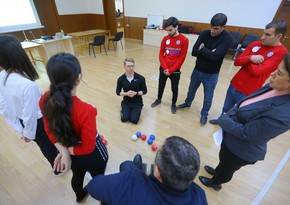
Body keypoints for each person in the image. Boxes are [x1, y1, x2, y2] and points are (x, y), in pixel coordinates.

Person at [199, 52, 290, 191]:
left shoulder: (285, 114)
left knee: (227, 169)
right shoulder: (275, 85)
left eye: (279, 72)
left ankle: (216, 182)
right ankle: (218, 170)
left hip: (241, 150)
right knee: (224, 160)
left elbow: (246, 133)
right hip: (231, 138)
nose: (272, 74)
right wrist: (231, 114)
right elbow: (245, 102)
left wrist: (223, 119)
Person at [39, 53, 109, 203]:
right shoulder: (86, 110)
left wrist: (65, 152)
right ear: (78, 79)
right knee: (99, 179)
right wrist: (67, 152)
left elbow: (48, 130)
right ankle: (103, 201)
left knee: (77, 176)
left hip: (72, 154)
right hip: (91, 156)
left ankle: (79, 196)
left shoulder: (44, 99)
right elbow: (89, 147)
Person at [0, 34, 65, 174]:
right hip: (37, 123)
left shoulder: (2, 76)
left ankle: (59, 165)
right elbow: (30, 114)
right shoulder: (28, 86)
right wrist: (28, 133)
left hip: (24, 123)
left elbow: (5, 107)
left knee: (45, 146)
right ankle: (59, 169)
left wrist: (20, 129)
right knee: (49, 145)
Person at [86, 136, 208, 205]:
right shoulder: (200, 196)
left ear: (157, 173)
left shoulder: (130, 181)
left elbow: (93, 186)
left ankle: (138, 167)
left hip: (135, 181)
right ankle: (138, 167)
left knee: (127, 165)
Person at [210, 19, 288, 124]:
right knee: (226, 107)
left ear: (278, 36)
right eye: (264, 33)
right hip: (235, 83)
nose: (263, 37)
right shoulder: (255, 44)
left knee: (240, 113)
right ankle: (221, 120)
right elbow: (237, 61)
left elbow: (257, 71)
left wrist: (246, 60)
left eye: (268, 35)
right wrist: (251, 58)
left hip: (248, 90)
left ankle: (229, 127)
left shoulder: (281, 52)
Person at [177, 13, 233, 126]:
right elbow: (194, 52)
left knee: (208, 97)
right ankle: (187, 103)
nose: (212, 30)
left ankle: (204, 114)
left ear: (223, 27)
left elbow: (215, 57)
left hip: (211, 75)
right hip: (197, 70)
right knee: (191, 90)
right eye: (211, 27)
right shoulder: (204, 33)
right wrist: (209, 52)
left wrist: (203, 49)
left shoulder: (227, 39)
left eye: (216, 28)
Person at [151, 17, 189, 114]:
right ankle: (159, 99)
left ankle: (173, 104)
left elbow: (182, 58)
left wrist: (171, 70)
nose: (168, 32)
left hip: (175, 70)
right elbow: (160, 54)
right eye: (167, 30)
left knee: (174, 88)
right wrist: (165, 68)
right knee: (161, 85)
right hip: (164, 68)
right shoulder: (165, 38)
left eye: (170, 30)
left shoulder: (184, 40)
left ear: (176, 27)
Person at [116, 57, 147, 124]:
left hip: (137, 103)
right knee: (124, 119)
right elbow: (118, 92)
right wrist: (126, 93)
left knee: (134, 120)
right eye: (128, 66)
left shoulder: (141, 78)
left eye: (132, 66)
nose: (131, 68)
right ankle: (123, 110)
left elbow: (144, 91)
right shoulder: (121, 79)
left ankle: (136, 110)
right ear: (124, 67)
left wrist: (136, 93)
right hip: (126, 102)